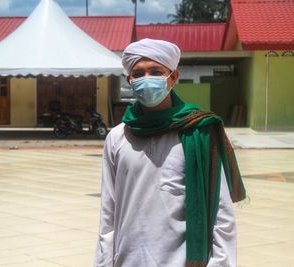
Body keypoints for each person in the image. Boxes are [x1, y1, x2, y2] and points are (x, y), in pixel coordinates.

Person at [94, 38, 246, 267]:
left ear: (173, 78)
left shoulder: (199, 132)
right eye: (138, 73)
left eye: (156, 71)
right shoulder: (117, 137)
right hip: (128, 259)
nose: (147, 79)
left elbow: (221, 213)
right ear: (130, 81)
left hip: (182, 261)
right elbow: (108, 212)